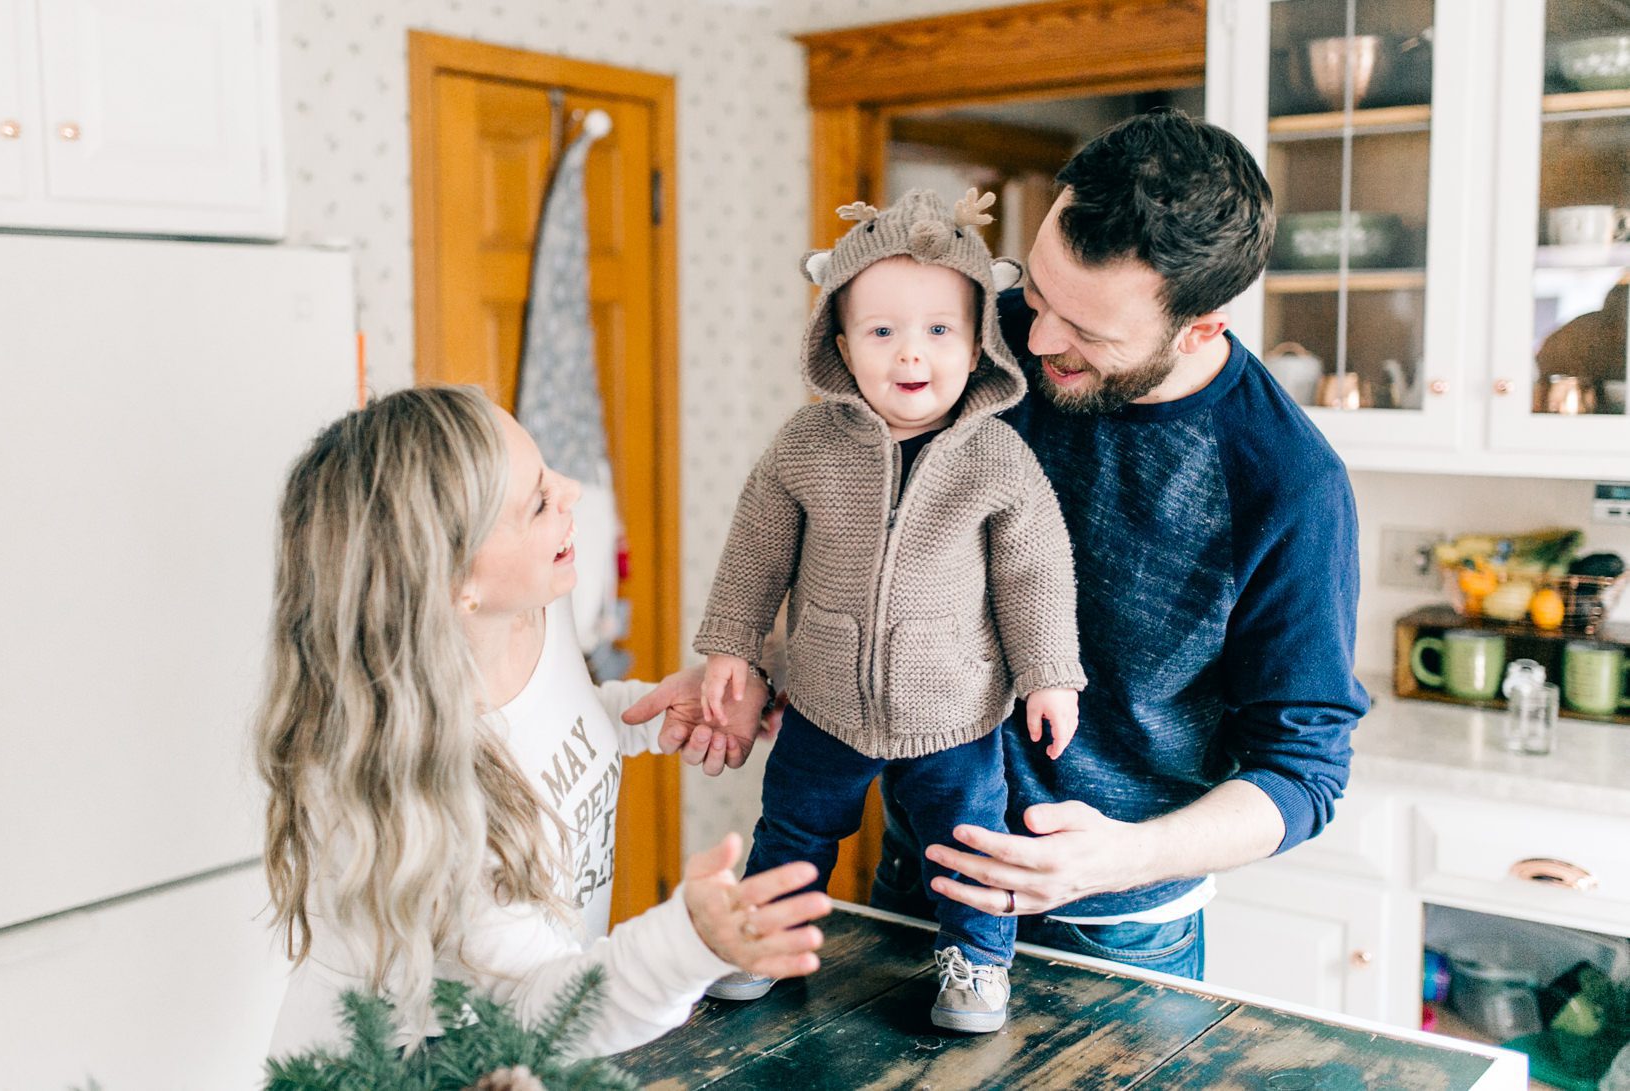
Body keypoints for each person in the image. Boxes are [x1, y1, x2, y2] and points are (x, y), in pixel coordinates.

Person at [866, 108, 1370, 980]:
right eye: (1039, 290)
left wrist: (1122, 856)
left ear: (1200, 327)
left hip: (1114, 929)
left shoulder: (1287, 484)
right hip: (918, 872)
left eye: (1087, 331)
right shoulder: (980, 335)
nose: (1037, 337)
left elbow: (1305, 773)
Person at [256, 385, 831, 1058]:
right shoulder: (428, 799)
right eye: (536, 501)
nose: (571, 492)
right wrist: (690, 942)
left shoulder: (527, 610)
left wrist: (642, 713)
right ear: (453, 583)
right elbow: (544, 1011)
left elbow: (547, 732)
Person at [692, 189, 1087, 1033]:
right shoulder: (806, 445)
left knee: (970, 842)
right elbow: (758, 548)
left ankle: (977, 963)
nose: (912, 353)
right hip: (825, 700)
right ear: (839, 345)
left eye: (940, 331)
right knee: (792, 829)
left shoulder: (998, 457)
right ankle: (763, 937)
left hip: (956, 707)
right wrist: (734, 644)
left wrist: (1050, 673)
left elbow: (1036, 573)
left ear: (978, 345)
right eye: (882, 332)